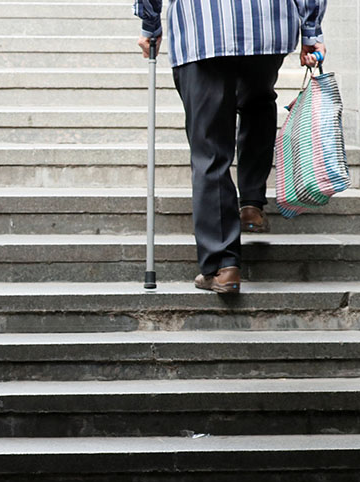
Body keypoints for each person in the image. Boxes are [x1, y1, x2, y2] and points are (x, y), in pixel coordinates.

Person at [133, 0, 327, 293]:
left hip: (203, 27)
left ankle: (223, 266)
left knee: (210, 148)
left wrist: (151, 24)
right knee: (258, 101)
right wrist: (311, 32)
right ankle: (251, 205)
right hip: (266, 25)